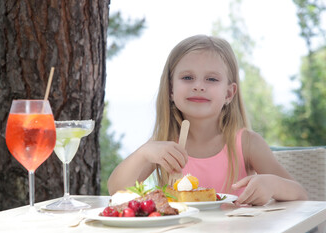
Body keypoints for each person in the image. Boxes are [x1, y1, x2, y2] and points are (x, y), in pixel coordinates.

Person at [108, 35, 308, 206]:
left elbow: (300, 195)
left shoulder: (246, 143)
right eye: (187, 78)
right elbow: (116, 192)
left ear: (229, 93)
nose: (199, 86)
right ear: (170, 89)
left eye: (211, 79)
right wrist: (144, 154)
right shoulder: (164, 143)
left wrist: (272, 185)